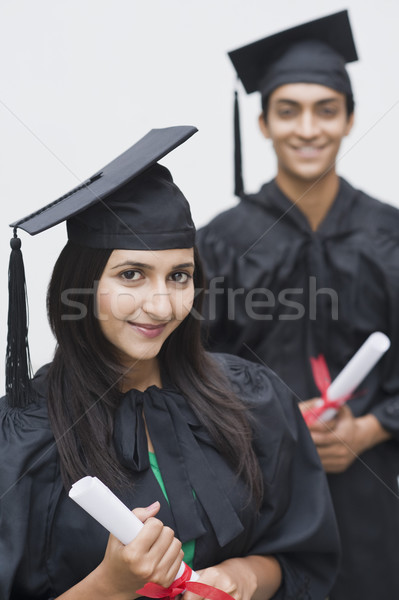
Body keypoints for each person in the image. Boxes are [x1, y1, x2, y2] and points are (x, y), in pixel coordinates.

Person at [0, 126, 339, 600]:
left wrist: (241, 578)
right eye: (132, 275)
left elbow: (302, 555)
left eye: (179, 275)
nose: (161, 306)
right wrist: (111, 584)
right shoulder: (21, 438)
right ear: (81, 285)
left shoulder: (251, 397)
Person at [196, 10, 399, 600]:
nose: (307, 128)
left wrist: (367, 427)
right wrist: (269, 425)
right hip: (258, 492)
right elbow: (189, 368)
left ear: (350, 119)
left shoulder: (389, 234)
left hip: (373, 493)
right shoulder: (221, 241)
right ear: (262, 123)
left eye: (326, 109)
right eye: (288, 111)